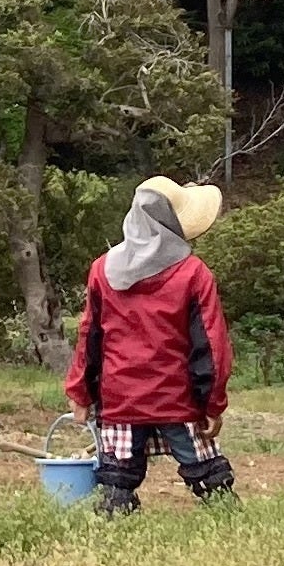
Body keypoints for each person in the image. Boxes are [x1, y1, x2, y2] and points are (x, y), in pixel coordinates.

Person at [62, 176, 233, 516]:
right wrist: (213, 403)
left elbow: (90, 338)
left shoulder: (101, 270)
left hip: (120, 400)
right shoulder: (193, 273)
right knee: (209, 477)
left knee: (117, 484)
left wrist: (81, 393)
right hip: (177, 400)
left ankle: (116, 522)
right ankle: (228, 522)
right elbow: (211, 347)